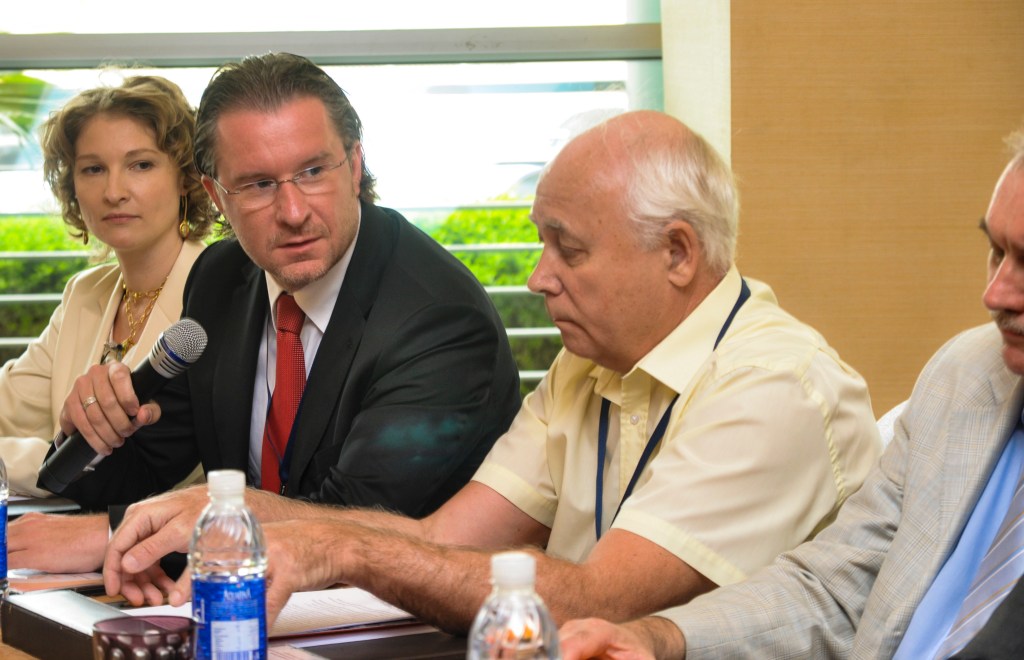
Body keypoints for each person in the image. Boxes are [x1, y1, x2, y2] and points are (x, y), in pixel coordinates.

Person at [97, 109, 882, 629]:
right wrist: (244, 514)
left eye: (568, 250)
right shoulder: (586, 369)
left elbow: (599, 601)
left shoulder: (774, 386)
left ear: (677, 252)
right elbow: (444, 539)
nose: (539, 278)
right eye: (541, 244)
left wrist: (338, 548)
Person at [7, 53, 520, 572]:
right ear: (216, 195)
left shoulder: (439, 319)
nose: (293, 213)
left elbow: (352, 525)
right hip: (242, 596)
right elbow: (151, 468)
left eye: (313, 172)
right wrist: (92, 432)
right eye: (258, 184)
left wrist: (116, 535)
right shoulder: (221, 277)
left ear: (355, 165)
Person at [557, 126, 1024, 660]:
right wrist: (658, 638)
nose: (995, 294)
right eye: (996, 251)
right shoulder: (964, 374)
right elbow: (835, 590)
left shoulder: (779, 377)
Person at [0, 75, 217, 498]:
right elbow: (10, 405)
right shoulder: (84, 293)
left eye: (141, 165)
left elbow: (122, 473)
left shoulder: (221, 295)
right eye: (93, 169)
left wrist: (45, 461)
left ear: (186, 177)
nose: (114, 192)